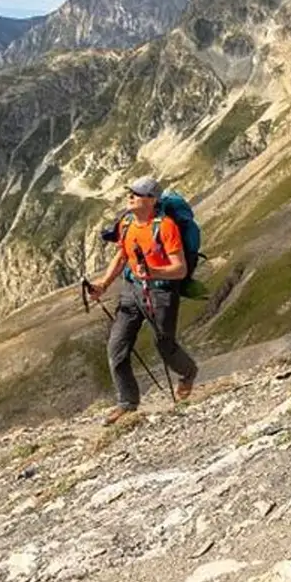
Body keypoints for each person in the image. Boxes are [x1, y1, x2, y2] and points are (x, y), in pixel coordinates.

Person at [87, 176, 199, 425]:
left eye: (136, 194)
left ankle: (188, 372)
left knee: (165, 345)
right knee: (116, 347)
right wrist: (103, 284)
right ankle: (127, 404)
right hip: (131, 289)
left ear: (151, 200)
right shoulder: (127, 223)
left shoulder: (166, 227)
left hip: (160, 292)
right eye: (131, 192)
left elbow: (179, 269)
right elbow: (122, 256)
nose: (130, 196)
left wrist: (154, 272)